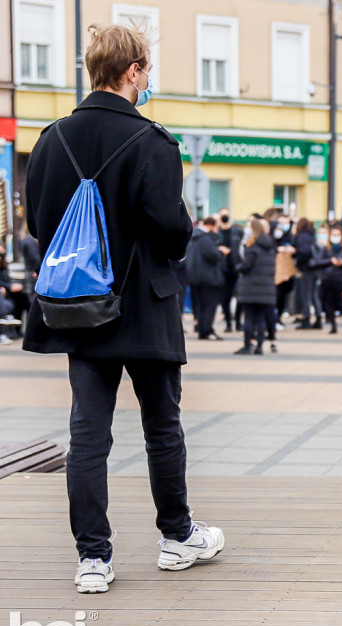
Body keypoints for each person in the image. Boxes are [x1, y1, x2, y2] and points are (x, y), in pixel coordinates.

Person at [21, 23, 224, 593]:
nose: (148, 77)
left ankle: (93, 558)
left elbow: (39, 224)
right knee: (162, 425)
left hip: (79, 308)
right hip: (144, 304)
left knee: (88, 432)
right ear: (133, 71)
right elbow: (169, 228)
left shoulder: (51, 138)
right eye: (147, 68)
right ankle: (177, 537)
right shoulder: (153, 142)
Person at [234, 217, 277, 355]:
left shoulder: (252, 247)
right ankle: (259, 347)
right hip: (266, 288)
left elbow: (246, 265)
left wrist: (238, 267)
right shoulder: (270, 246)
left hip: (251, 287)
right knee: (260, 318)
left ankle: (247, 346)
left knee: (249, 318)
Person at [187, 215, 229, 340]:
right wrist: (221, 252)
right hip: (208, 278)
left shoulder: (193, 236)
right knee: (210, 305)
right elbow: (213, 256)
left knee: (200, 305)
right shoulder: (205, 239)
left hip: (195, 277)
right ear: (211, 225)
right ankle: (207, 330)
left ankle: (201, 329)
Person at [293, 217, 324, 330]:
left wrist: (298, 261)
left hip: (306, 268)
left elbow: (304, 252)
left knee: (305, 294)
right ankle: (318, 317)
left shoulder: (301, 237)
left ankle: (306, 318)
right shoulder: (312, 236)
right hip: (315, 268)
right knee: (314, 294)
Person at [217, 208, 243, 333]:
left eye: (226, 215)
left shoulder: (237, 232)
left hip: (237, 269)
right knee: (225, 298)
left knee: (239, 298)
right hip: (223, 270)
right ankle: (228, 323)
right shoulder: (217, 233)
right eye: (223, 215)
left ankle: (238, 322)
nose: (225, 217)